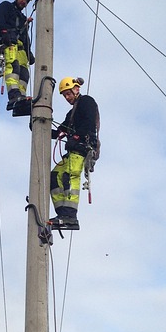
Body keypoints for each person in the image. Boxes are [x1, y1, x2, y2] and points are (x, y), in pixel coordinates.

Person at [49, 76, 100, 229]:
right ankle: (62, 212)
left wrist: (77, 137)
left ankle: (70, 215)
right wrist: (41, 127)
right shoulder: (71, 114)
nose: (67, 97)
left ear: (76, 89)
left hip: (83, 146)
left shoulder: (87, 102)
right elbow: (60, 131)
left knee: (70, 176)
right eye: (64, 95)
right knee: (55, 176)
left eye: (68, 94)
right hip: (73, 148)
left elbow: (90, 122)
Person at [0, 0, 35, 111]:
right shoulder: (6, 6)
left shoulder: (22, 19)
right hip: (10, 44)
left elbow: (25, 37)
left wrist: (29, 53)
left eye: (26, 0)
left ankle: (21, 97)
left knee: (24, 73)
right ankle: (13, 95)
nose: (24, 2)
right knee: (13, 67)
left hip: (21, 48)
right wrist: (4, 34)